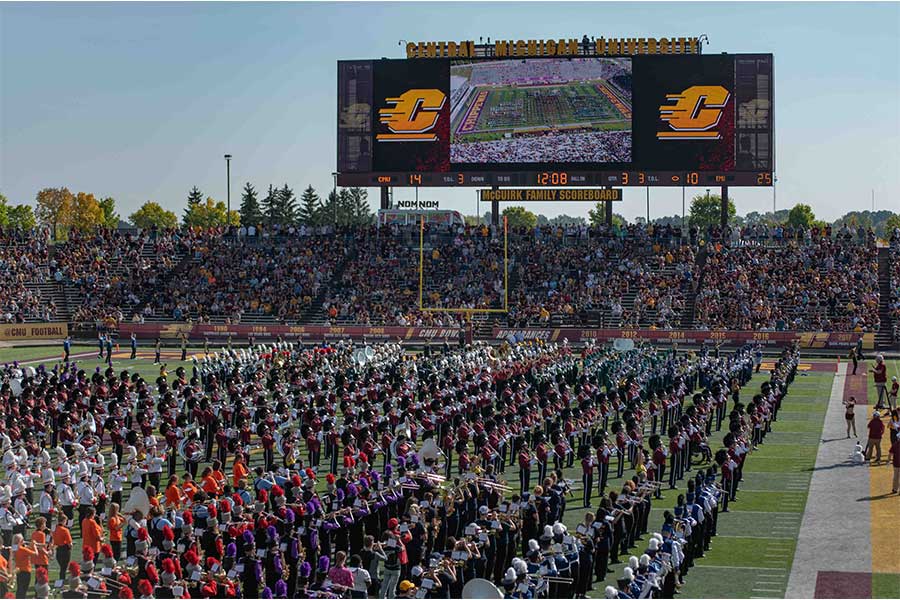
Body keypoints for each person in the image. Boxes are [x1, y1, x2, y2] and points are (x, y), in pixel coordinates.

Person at [12, 533, 36, 599]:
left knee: (19, 588)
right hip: (26, 571)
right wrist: (34, 546)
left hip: (18, 570)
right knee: (24, 590)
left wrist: (27, 546)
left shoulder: (14, 548)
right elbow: (35, 554)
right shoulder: (23, 549)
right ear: (21, 540)